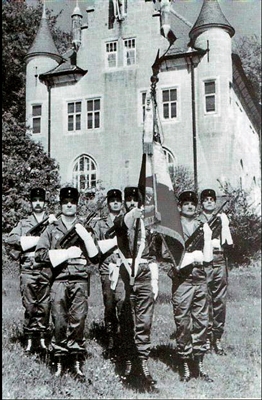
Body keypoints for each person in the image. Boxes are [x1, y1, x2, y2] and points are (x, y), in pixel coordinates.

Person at [35, 187, 100, 382]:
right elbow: (39, 254)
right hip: (59, 280)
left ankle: (77, 362)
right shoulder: (52, 229)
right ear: (61, 204)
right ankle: (59, 361)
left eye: (72, 202)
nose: (69, 205)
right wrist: (64, 254)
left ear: (77, 204)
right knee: (59, 320)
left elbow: (95, 256)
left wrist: (86, 237)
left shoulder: (83, 227)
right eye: (65, 202)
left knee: (78, 320)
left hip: (80, 279)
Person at [111, 186, 159, 390]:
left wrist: (155, 280)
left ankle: (143, 362)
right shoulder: (120, 221)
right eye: (128, 200)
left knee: (145, 320)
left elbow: (154, 252)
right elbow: (123, 224)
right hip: (125, 273)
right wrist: (133, 213)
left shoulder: (148, 223)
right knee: (126, 318)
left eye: (134, 200)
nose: (131, 203)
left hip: (144, 274)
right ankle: (129, 362)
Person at [171, 191, 214, 382]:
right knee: (182, 322)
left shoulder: (201, 226)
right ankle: (185, 363)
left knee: (202, 321)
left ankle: (199, 363)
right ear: (179, 206)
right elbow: (166, 254)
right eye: (186, 203)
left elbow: (208, 253)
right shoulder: (173, 227)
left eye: (192, 203)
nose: (189, 206)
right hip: (182, 280)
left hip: (199, 277)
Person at [6, 187, 54, 354]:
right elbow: (10, 238)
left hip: (45, 266)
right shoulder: (24, 222)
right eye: (35, 201)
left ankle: (42, 339)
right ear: (31, 203)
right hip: (28, 266)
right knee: (29, 305)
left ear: (45, 203)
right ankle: (29, 339)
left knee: (44, 304)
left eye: (41, 200)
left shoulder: (51, 222)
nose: (38, 203)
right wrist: (30, 240)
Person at [91, 189, 125, 359]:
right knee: (109, 303)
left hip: (124, 267)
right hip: (107, 266)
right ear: (108, 203)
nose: (115, 203)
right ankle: (111, 337)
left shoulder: (127, 220)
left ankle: (123, 337)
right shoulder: (100, 224)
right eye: (112, 200)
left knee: (124, 303)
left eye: (118, 200)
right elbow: (95, 246)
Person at [198, 189, 233, 356]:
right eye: (206, 200)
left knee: (219, 300)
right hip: (204, 262)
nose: (209, 202)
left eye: (212, 199)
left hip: (219, 259)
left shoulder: (222, 219)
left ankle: (217, 337)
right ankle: (204, 336)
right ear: (201, 203)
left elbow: (228, 243)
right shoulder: (197, 220)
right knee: (204, 299)